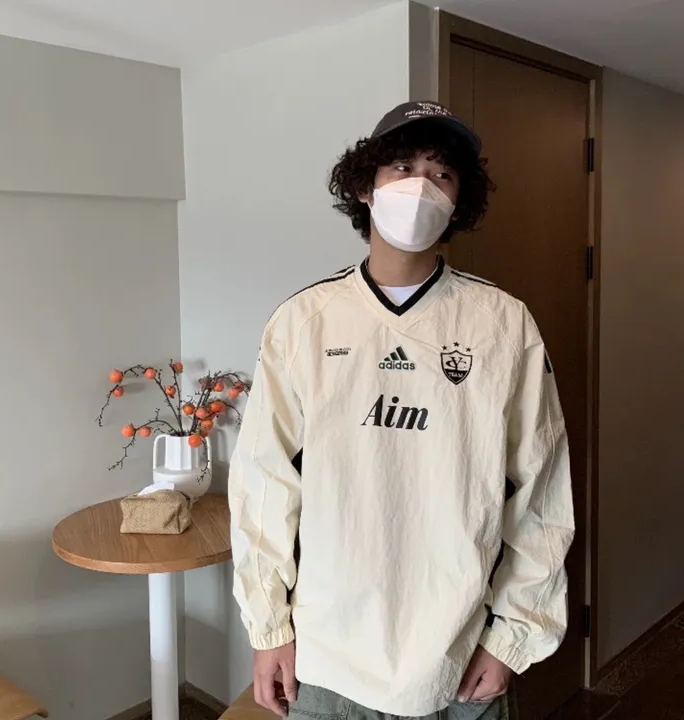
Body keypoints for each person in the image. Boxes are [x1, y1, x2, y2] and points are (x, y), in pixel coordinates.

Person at [228, 101, 574, 720]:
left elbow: (543, 492)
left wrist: (512, 636)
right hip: (327, 654)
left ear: (459, 201)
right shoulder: (304, 321)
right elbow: (263, 485)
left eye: (441, 174)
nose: (420, 187)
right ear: (365, 187)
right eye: (402, 168)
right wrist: (268, 627)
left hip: (460, 653)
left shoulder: (502, 323)